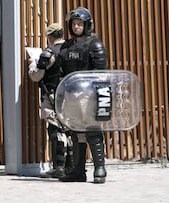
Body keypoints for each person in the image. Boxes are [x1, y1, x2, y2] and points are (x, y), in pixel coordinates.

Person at [57, 7, 108, 184]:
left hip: (89, 95)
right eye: (74, 23)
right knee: (75, 132)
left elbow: (101, 74)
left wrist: (101, 99)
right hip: (71, 94)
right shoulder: (66, 46)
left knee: (93, 132)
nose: (76, 26)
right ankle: (78, 170)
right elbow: (61, 73)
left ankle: (99, 168)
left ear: (86, 25)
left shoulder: (95, 44)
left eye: (80, 23)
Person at [27, 23, 74, 178]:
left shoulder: (49, 53)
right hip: (72, 95)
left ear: (50, 37)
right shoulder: (72, 49)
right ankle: (71, 166)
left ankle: (59, 167)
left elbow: (36, 76)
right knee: (69, 130)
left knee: (55, 130)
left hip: (53, 95)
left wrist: (32, 64)